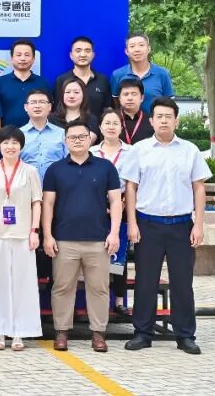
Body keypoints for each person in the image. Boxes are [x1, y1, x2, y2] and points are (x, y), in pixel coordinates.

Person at [121, 98, 211, 355]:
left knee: (182, 282)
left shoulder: (190, 150)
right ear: (151, 121)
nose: (163, 121)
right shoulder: (139, 150)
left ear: (176, 121)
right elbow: (131, 188)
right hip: (148, 224)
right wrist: (132, 223)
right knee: (145, 281)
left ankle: (185, 335)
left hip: (181, 225)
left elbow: (198, 187)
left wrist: (199, 225)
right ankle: (142, 332)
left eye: (168, 116)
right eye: (159, 116)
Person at [42, 119, 123, 353]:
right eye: (72, 137)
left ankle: (98, 334)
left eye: (81, 137)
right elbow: (48, 204)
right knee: (62, 288)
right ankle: (61, 332)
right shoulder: (55, 169)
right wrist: (47, 235)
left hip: (98, 240)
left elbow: (115, 201)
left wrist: (114, 233)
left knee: (99, 289)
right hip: (64, 239)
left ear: (90, 139)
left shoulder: (105, 167)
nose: (77, 141)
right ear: (65, 141)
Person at [0, 126, 43, 351]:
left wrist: (34, 231)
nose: (10, 146)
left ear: (21, 146)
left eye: (15, 142)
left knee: (23, 283)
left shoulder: (30, 171)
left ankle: (19, 331)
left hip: (23, 233)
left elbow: (36, 202)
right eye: (6, 142)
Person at [91, 108, 134, 314]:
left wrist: (121, 202)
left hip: (122, 207)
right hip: (95, 208)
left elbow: (134, 182)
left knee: (118, 255)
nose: (111, 127)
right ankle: (94, 300)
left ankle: (118, 300)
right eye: (107, 123)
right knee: (94, 255)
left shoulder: (131, 153)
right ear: (100, 127)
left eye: (115, 123)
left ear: (121, 127)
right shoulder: (91, 152)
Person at [110, 32, 176, 112]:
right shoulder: (118, 75)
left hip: (154, 120)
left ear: (148, 49)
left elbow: (170, 104)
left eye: (141, 45)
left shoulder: (162, 74)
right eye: (132, 46)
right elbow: (116, 102)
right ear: (127, 51)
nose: (137, 50)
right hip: (127, 120)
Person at [0, 40, 50, 129]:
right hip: (7, 135)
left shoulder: (43, 83)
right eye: (18, 55)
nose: (22, 58)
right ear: (12, 58)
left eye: (27, 55)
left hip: (37, 133)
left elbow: (49, 111)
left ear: (33, 59)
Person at [53, 36, 111, 118]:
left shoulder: (103, 80)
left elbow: (108, 109)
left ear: (93, 55)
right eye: (78, 51)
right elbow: (57, 109)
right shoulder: (62, 80)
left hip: (97, 125)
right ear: (71, 55)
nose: (83, 54)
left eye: (87, 51)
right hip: (68, 125)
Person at [20, 89, 67, 181]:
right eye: (33, 102)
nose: (37, 106)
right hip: (26, 184)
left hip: (57, 184)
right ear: (26, 107)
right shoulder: (18, 134)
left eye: (42, 102)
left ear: (49, 107)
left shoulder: (62, 133)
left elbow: (69, 161)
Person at [51, 77, 100, 143]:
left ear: (83, 95)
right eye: (68, 92)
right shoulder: (51, 119)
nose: (71, 96)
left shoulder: (91, 120)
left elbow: (85, 143)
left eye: (76, 92)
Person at [117, 78, 155, 144]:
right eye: (126, 94)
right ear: (119, 98)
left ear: (142, 98)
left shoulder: (152, 121)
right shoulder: (111, 119)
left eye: (134, 94)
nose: (130, 98)